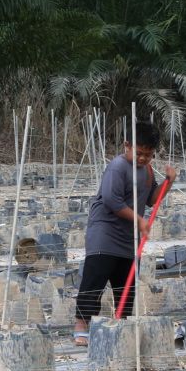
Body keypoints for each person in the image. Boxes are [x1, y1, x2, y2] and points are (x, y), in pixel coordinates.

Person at [73, 120, 176, 345]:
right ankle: (81, 325)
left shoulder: (147, 171)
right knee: (95, 279)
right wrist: (139, 220)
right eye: (138, 153)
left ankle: (121, 324)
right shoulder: (118, 166)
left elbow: (150, 199)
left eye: (147, 155)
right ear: (126, 145)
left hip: (129, 237)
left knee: (125, 284)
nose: (142, 159)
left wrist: (168, 182)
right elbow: (111, 200)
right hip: (105, 231)